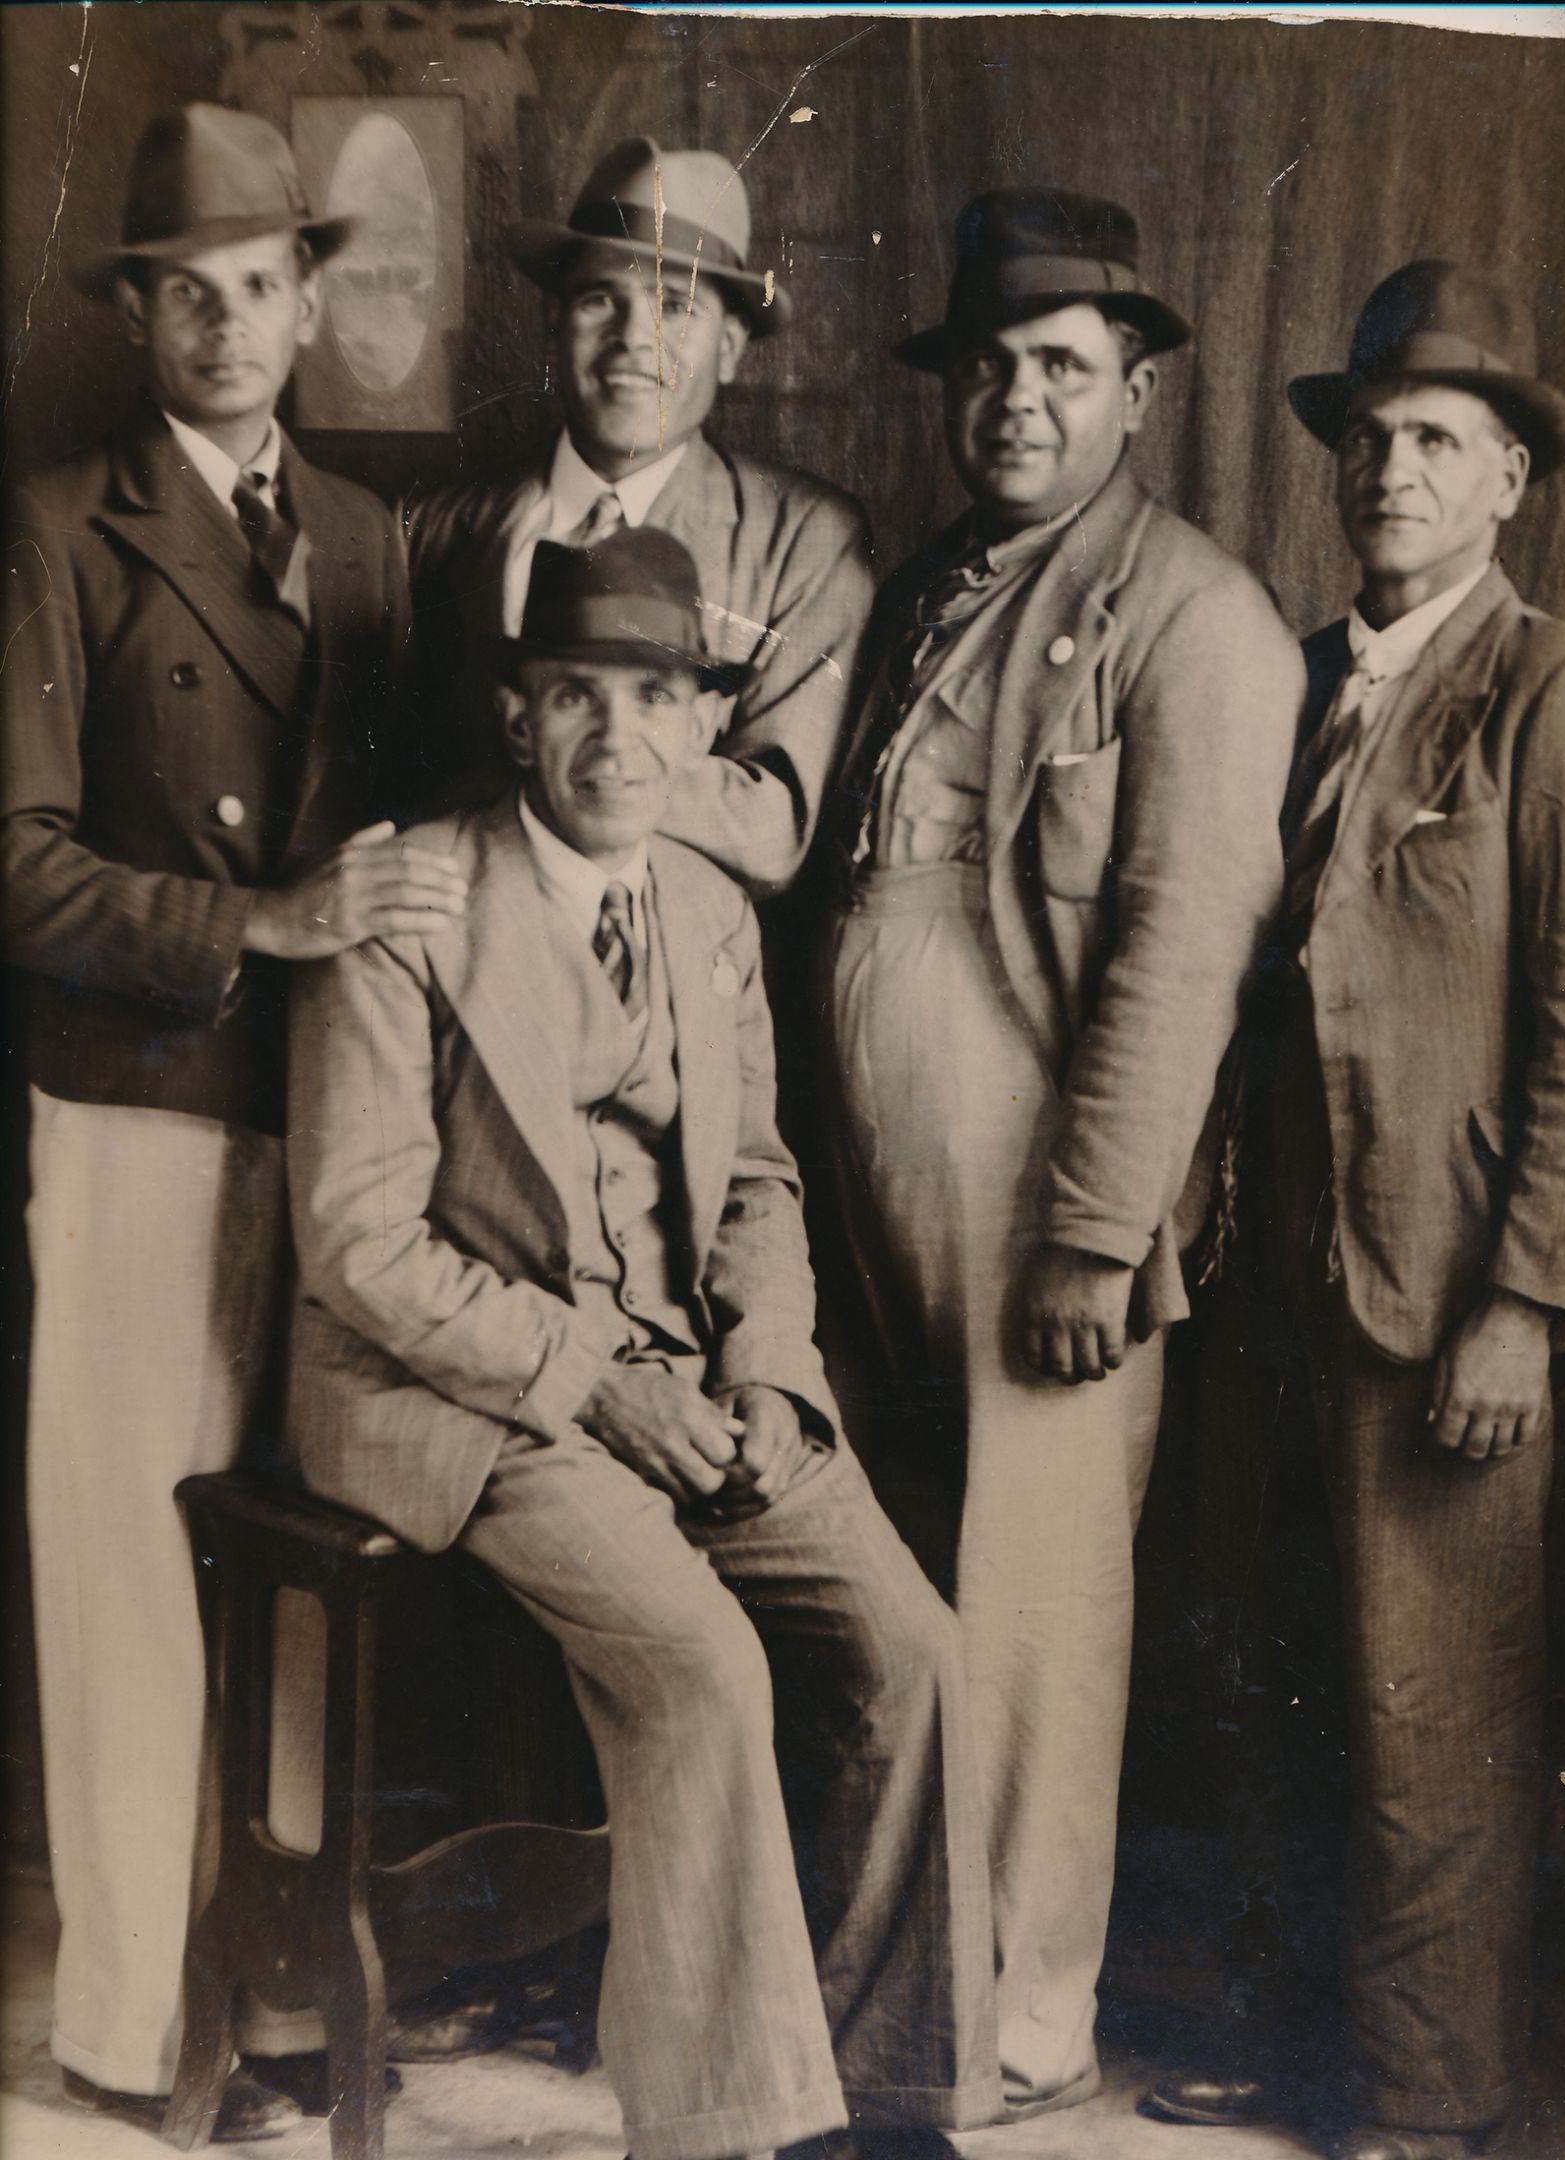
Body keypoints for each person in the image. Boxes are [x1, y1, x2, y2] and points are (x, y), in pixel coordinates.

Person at [282, 526, 1002, 2160]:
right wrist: (599, 1380)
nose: (618, 736)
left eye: (655, 699)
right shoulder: (410, 899)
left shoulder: (705, 908)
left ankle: (879, 2101)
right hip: (472, 1391)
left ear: (697, 727)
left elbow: (753, 1173)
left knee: (916, 1652)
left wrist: (758, 1370)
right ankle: (722, 2130)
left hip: (693, 1380)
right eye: (577, 697)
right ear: (516, 714)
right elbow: (360, 1245)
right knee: (701, 1671)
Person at [0, 105, 467, 2138]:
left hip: (329, 1129)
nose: (221, 324)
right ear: (140, 313)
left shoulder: (366, 539)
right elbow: (13, 867)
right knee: (120, 1563)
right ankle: (122, 2022)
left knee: (298, 1570)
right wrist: (254, 920)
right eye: (182, 291)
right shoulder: (52, 525)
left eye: (257, 286)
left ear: (305, 300)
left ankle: (277, 2010)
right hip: (138, 1110)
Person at [823, 186, 1304, 2118]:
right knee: (904, 1592)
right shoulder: (934, 577)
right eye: (988, 368)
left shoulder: (1196, 613)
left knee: (1032, 1608)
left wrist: (1095, 1236)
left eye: (1057, 368)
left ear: (1136, 389)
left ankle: (1024, 2016)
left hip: (1040, 1191)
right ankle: (904, 1988)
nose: (1013, 401)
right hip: (875, 1186)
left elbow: (1183, 948)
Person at [1145, 261, 1565, 2160]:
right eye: (1370, 436)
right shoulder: (1300, 678)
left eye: (1436, 441)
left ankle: (1418, 2099)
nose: (1391, 466)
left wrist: (1529, 1299)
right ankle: (1292, 2032)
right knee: (1267, 1676)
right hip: (1265, 1275)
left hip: (1443, 1284)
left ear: (1508, 482)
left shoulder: (1544, 689)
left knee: (1434, 1720)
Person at [400, 135, 873, 900]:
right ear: (553, 329)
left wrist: (543, 760)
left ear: (728, 349)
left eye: (675, 304)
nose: (632, 336)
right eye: (599, 299)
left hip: (687, 985)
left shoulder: (801, 541)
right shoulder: (434, 529)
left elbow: (770, 824)